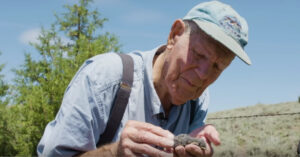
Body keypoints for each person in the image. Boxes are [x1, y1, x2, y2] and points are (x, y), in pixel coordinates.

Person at [37, 1, 251, 157]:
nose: (203, 75)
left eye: (217, 66)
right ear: (174, 35)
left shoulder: (199, 102)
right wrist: (114, 152)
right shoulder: (105, 77)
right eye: (198, 54)